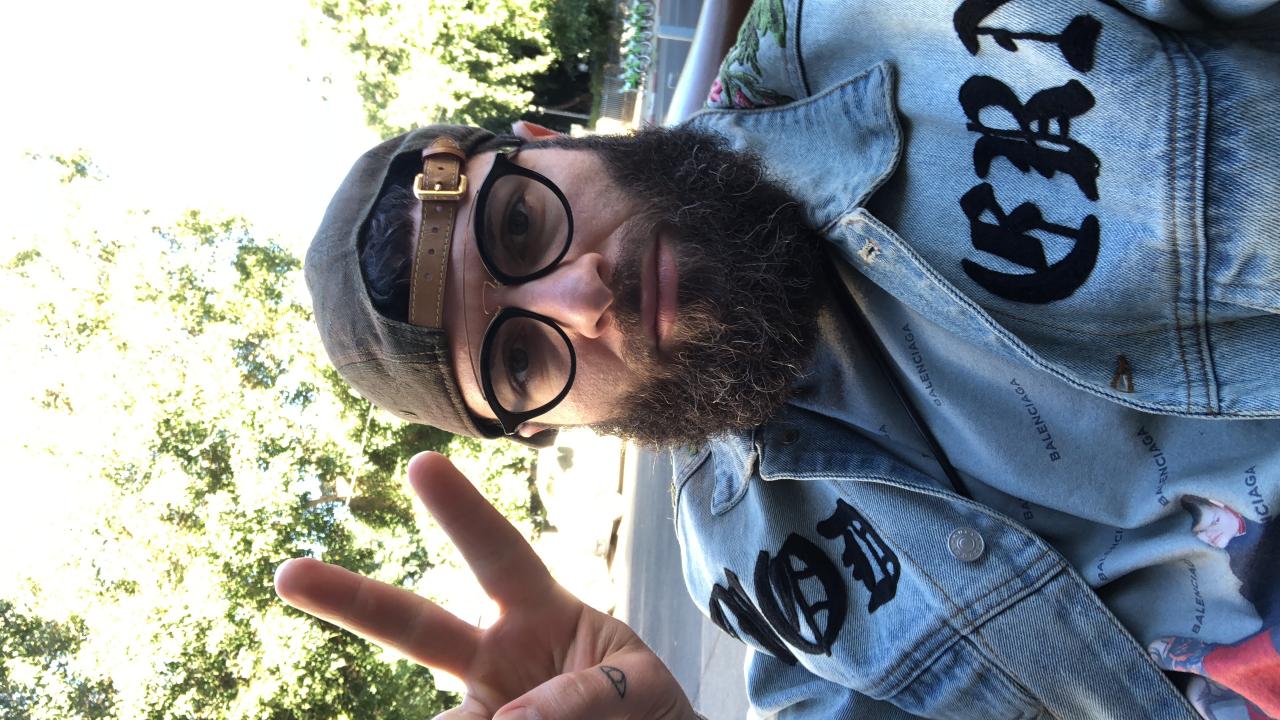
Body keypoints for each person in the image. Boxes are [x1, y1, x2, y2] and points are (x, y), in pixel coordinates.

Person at [278, 0, 1280, 717]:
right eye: (523, 362)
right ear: (547, 426)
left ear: (547, 138)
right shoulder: (760, 581)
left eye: (522, 222)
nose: (582, 298)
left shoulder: (886, 26)